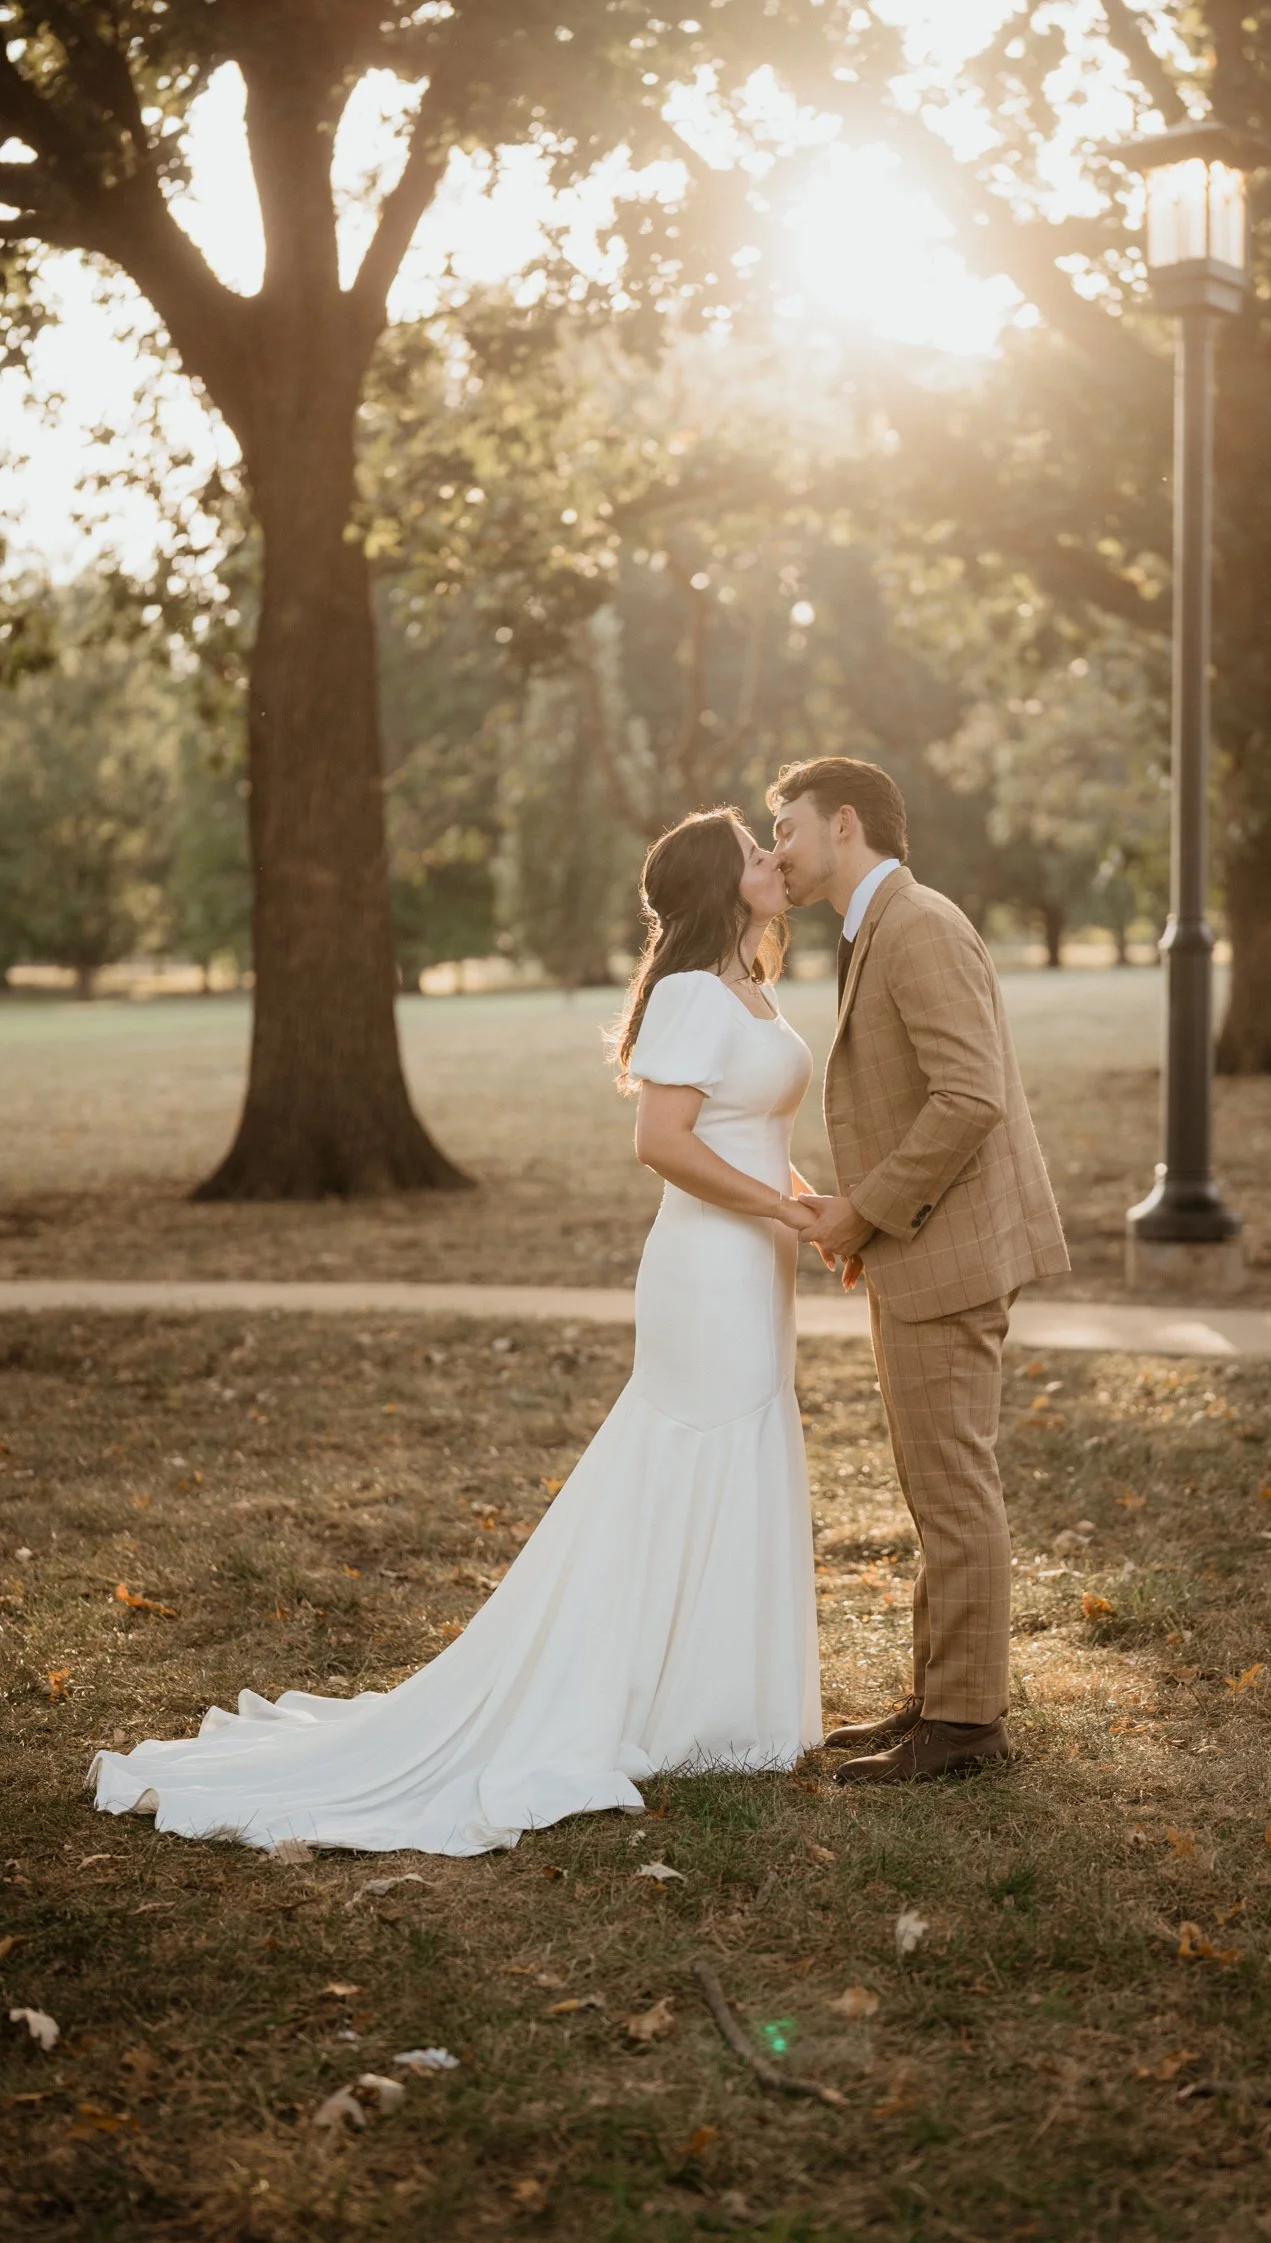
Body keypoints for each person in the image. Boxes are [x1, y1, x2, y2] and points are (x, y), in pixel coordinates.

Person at [88, 810, 825, 1855]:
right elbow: (660, 1142)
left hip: (759, 1265)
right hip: (707, 1271)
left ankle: (722, 1704)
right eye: (755, 851)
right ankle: (665, 1707)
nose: (773, 861)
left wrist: (812, 1203)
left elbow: (750, 1135)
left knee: (743, 1452)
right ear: (716, 881)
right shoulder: (695, 993)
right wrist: (780, 1210)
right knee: (692, 1458)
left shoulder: (750, 987)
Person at [770, 757, 1069, 1785]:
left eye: (788, 830)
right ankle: (937, 1698)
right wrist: (872, 1229)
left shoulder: (920, 923)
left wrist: (866, 1211)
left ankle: (964, 1728)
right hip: (921, 1247)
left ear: (843, 823)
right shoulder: (877, 926)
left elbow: (967, 1096)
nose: (777, 852)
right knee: (934, 1485)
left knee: (951, 1491)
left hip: (952, 1252)